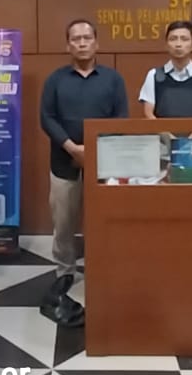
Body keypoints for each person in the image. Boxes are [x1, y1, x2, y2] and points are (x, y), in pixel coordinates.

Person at [39, 19, 129, 320]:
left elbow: (121, 117)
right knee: (63, 221)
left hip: (104, 161)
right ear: (68, 45)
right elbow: (46, 118)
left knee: (103, 221)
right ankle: (65, 272)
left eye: (87, 37)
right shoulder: (55, 80)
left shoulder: (113, 79)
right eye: (75, 38)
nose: (81, 43)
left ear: (96, 43)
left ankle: (102, 269)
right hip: (63, 161)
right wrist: (72, 148)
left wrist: (92, 149)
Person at [138, 20, 192, 119]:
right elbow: (148, 114)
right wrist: (166, 131)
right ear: (166, 45)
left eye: (184, 39)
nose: (178, 44)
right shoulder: (153, 75)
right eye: (173, 39)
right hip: (162, 130)